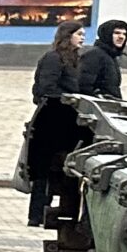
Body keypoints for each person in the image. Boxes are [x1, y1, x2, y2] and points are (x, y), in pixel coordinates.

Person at [27, 20, 85, 226]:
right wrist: (69, 99)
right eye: (78, 34)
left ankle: (50, 211)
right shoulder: (53, 59)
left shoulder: (73, 59)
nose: (82, 37)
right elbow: (46, 88)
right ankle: (36, 214)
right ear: (67, 36)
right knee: (43, 168)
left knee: (58, 168)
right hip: (50, 121)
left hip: (66, 122)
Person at [77, 18, 127, 100]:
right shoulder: (94, 55)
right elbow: (83, 85)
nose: (121, 37)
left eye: (124, 34)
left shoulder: (111, 56)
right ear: (107, 34)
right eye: (117, 33)